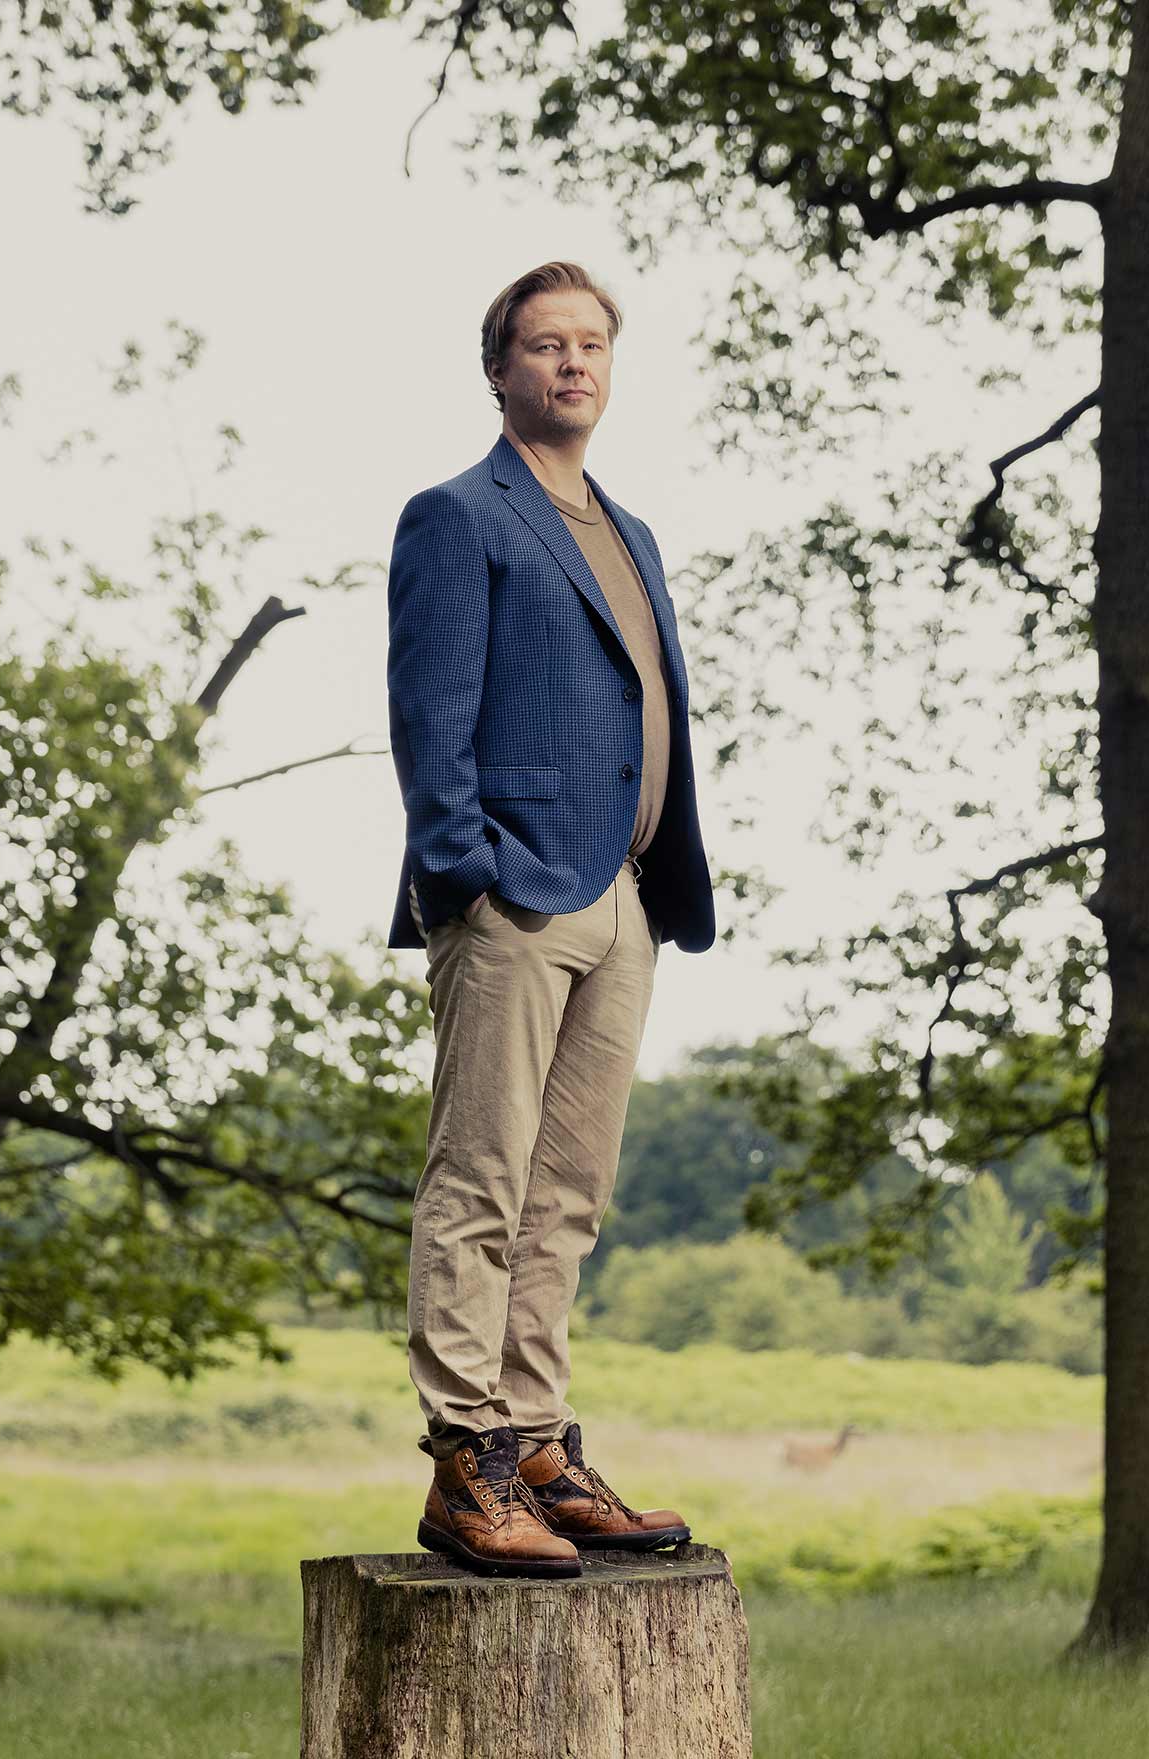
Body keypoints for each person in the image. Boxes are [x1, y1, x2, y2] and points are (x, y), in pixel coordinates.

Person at [385, 259, 716, 1577]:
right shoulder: (459, 516)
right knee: (481, 1176)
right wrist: (466, 869)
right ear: (501, 369)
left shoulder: (629, 532)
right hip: (513, 892)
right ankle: (466, 1463)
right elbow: (429, 714)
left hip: (626, 897)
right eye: (545, 346)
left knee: (569, 1192)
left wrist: (640, 886)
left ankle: (534, 1447)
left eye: (591, 346)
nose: (573, 365)